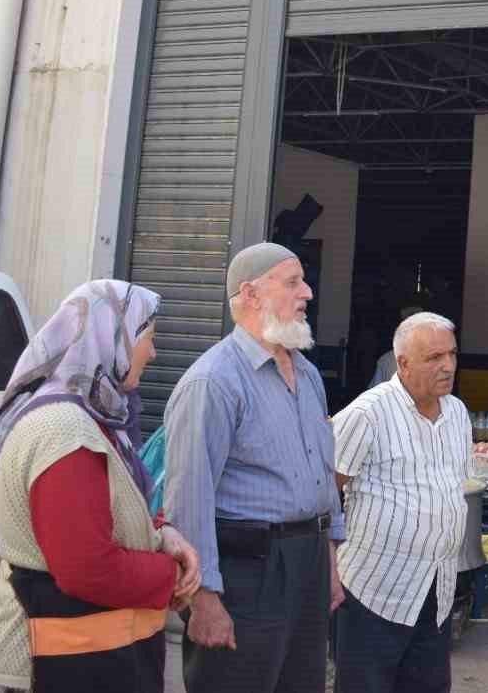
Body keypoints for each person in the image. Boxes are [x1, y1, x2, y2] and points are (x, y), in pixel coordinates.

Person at [0, 280, 200, 693]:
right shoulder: (65, 430)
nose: (152, 353)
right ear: (109, 336)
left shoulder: (89, 417)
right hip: (48, 665)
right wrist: (173, 575)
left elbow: (111, 510)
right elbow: (88, 569)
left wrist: (161, 533)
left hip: (81, 659)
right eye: (146, 338)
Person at [164, 243, 346, 693]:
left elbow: (322, 474)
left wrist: (329, 562)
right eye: (291, 282)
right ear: (249, 294)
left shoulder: (307, 375)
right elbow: (189, 498)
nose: (307, 292)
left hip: (307, 564)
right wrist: (203, 599)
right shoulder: (214, 381)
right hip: (247, 572)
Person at [332, 312, 470, 693]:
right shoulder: (367, 413)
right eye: (434, 358)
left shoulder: (457, 413)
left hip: (436, 589)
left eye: (452, 355)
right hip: (375, 590)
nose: (448, 366)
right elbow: (326, 492)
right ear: (403, 363)